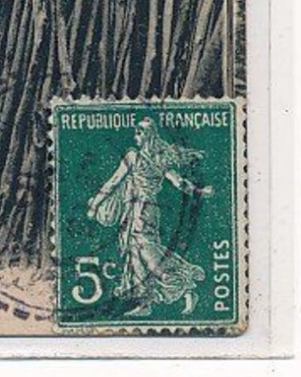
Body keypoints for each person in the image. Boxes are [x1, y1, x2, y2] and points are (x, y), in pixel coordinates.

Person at [87, 117, 214, 317]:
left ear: (149, 135)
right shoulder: (159, 160)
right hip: (146, 211)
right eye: (137, 130)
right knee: (137, 252)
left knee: (145, 251)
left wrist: (94, 206)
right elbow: (180, 183)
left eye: (141, 131)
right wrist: (199, 191)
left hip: (140, 210)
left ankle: (182, 281)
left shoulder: (134, 157)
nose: (136, 133)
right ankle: (146, 301)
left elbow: (112, 183)